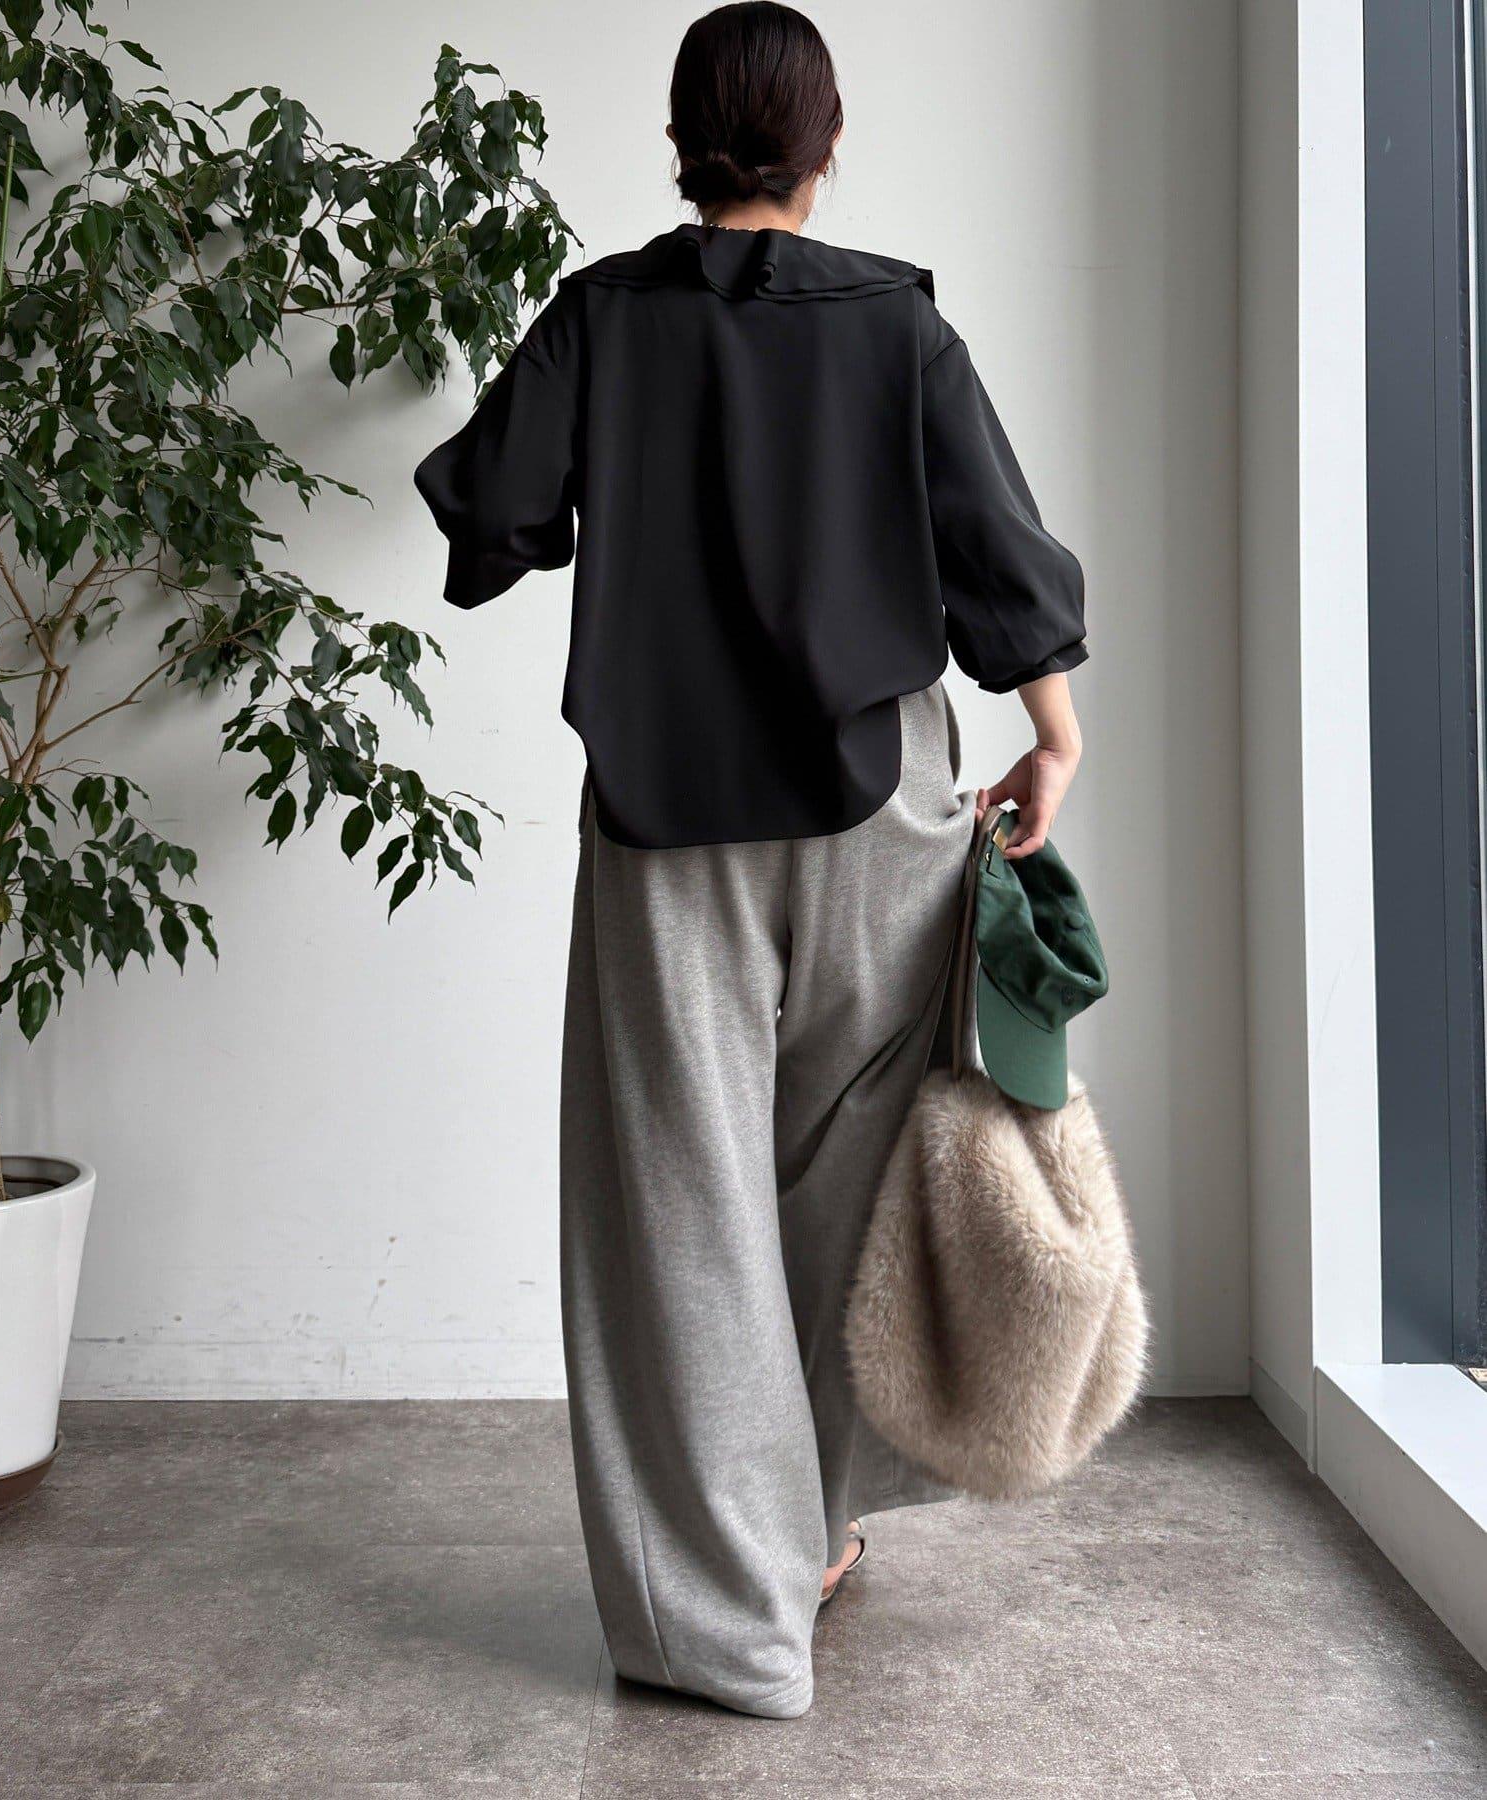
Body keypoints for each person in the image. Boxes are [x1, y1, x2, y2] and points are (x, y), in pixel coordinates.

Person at [414, 0, 1086, 1721]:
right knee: (850, 1176)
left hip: (667, 822)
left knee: (677, 1204)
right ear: (824, 142)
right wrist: (1054, 735)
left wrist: (617, 487)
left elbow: (492, 513)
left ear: (681, 142)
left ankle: (730, 1623)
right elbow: (999, 549)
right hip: (879, 807)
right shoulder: (898, 322)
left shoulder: (603, 317)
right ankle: (818, 1524)